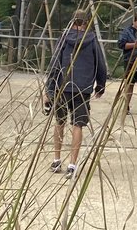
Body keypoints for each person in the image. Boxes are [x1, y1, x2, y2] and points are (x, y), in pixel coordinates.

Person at [43, 9, 108, 179]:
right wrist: (100, 84)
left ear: (72, 21)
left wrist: (49, 88)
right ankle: (72, 164)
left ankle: (57, 160)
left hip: (62, 86)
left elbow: (55, 63)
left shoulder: (64, 38)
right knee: (78, 124)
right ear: (86, 22)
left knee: (59, 121)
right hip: (82, 87)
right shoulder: (92, 39)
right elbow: (100, 63)